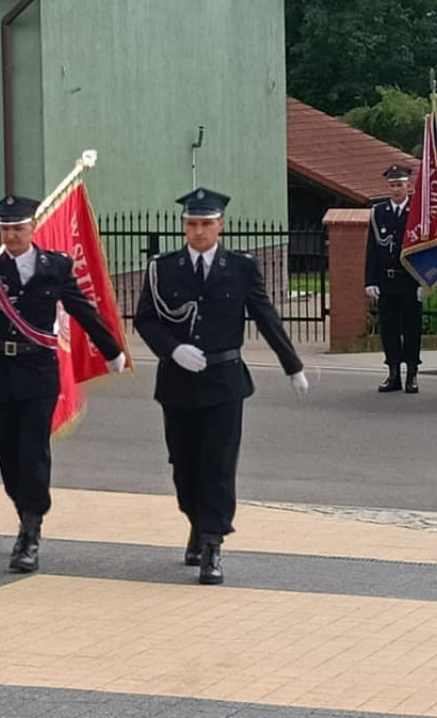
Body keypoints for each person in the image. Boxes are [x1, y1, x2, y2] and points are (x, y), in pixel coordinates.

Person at [0, 195, 126, 573]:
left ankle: (31, 528)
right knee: (5, 450)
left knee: (33, 449)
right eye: (5, 229)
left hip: (38, 369)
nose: (12, 235)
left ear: (32, 228)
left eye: (18, 228)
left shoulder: (54, 267)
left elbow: (81, 308)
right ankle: (23, 506)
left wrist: (111, 349)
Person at [134, 187, 308, 585]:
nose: (198, 232)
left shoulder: (240, 268)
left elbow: (266, 317)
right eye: (192, 224)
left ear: (221, 226)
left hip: (224, 381)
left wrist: (292, 365)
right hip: (178, 381)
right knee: (184, 464)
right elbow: (146, 319)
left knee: (218, 464)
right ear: (183, 227)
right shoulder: (163, 268)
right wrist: (172, 349)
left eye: (206, 224)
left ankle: (213, 544)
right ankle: (196, 521)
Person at [365, 164, 424, 394]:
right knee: (389, 330)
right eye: (392, 185)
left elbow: (424, 250)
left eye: (400, 185)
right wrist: (370, 280)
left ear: (408, 186)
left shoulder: (417, 212)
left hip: (410, 281)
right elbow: (372, 248)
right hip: (387, 281)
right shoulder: (378, 212)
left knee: (411, 329)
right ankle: (393, 374)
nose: (396, 189)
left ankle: (412, 374)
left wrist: (424, 282)